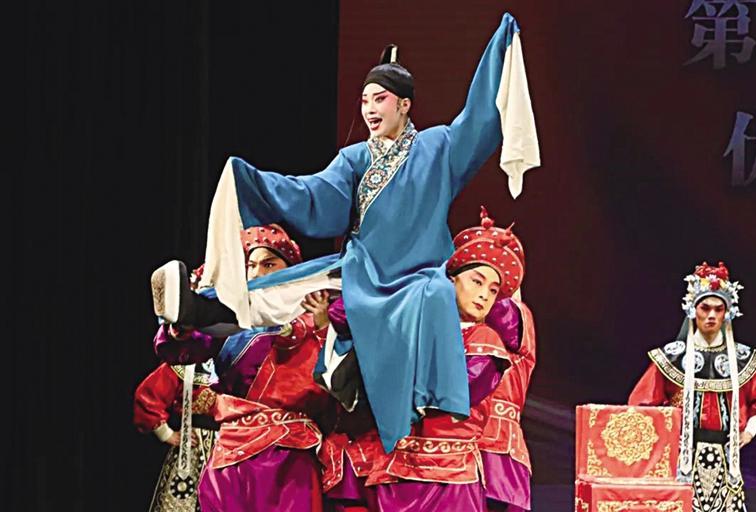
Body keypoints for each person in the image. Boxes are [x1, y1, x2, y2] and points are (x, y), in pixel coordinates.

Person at [152, 12, 540, 453]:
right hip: (361, 266)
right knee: (283, 290)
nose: (370, 109)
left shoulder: (438, 147)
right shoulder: (355, 159)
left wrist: (499, 55)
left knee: (431, 299)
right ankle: (197, 309)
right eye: (365, 101)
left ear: (404, 104)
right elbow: (316, 196)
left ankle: (393, 391)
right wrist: (254, 181)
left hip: (417, 274)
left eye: (380, 99)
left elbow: (477, 121)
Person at [155, 225, 332, 511]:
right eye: (251, 265)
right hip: (231, 449)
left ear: (291, 270)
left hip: (287, 452)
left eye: (269, 265)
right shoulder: (232, 323)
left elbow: (327, 386)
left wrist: (322, 327)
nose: (258, 273)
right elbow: (180, 352)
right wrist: (183, 325)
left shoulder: (311, 318)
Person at [361, 207, 522, 511]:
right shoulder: (416, 327)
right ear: (451, 281)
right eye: (476, 282)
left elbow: (461, 391)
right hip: (400, 469)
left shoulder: (485, 339)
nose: (484, 295)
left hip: (451, 475)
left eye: (493, 290)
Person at [629, 262, 756, 512]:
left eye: (718, 309)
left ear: (727, 313)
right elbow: (642, 408)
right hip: (681, 457)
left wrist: (748, 432)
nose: (711, 315)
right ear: (693, 310)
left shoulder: (743, 360)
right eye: (705, 308)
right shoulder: (672, 358)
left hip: (728, 459)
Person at [477, 226, 536, 512]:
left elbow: (500, 312)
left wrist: (484, 257)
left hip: (495, 447)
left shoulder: (516, 316)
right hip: (458, 443)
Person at [133, 358, 218, 512]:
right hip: (194, 449)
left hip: (234, 445)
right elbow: (148, 395)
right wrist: (166, 433)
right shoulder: (185, 362)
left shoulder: (240, 359)